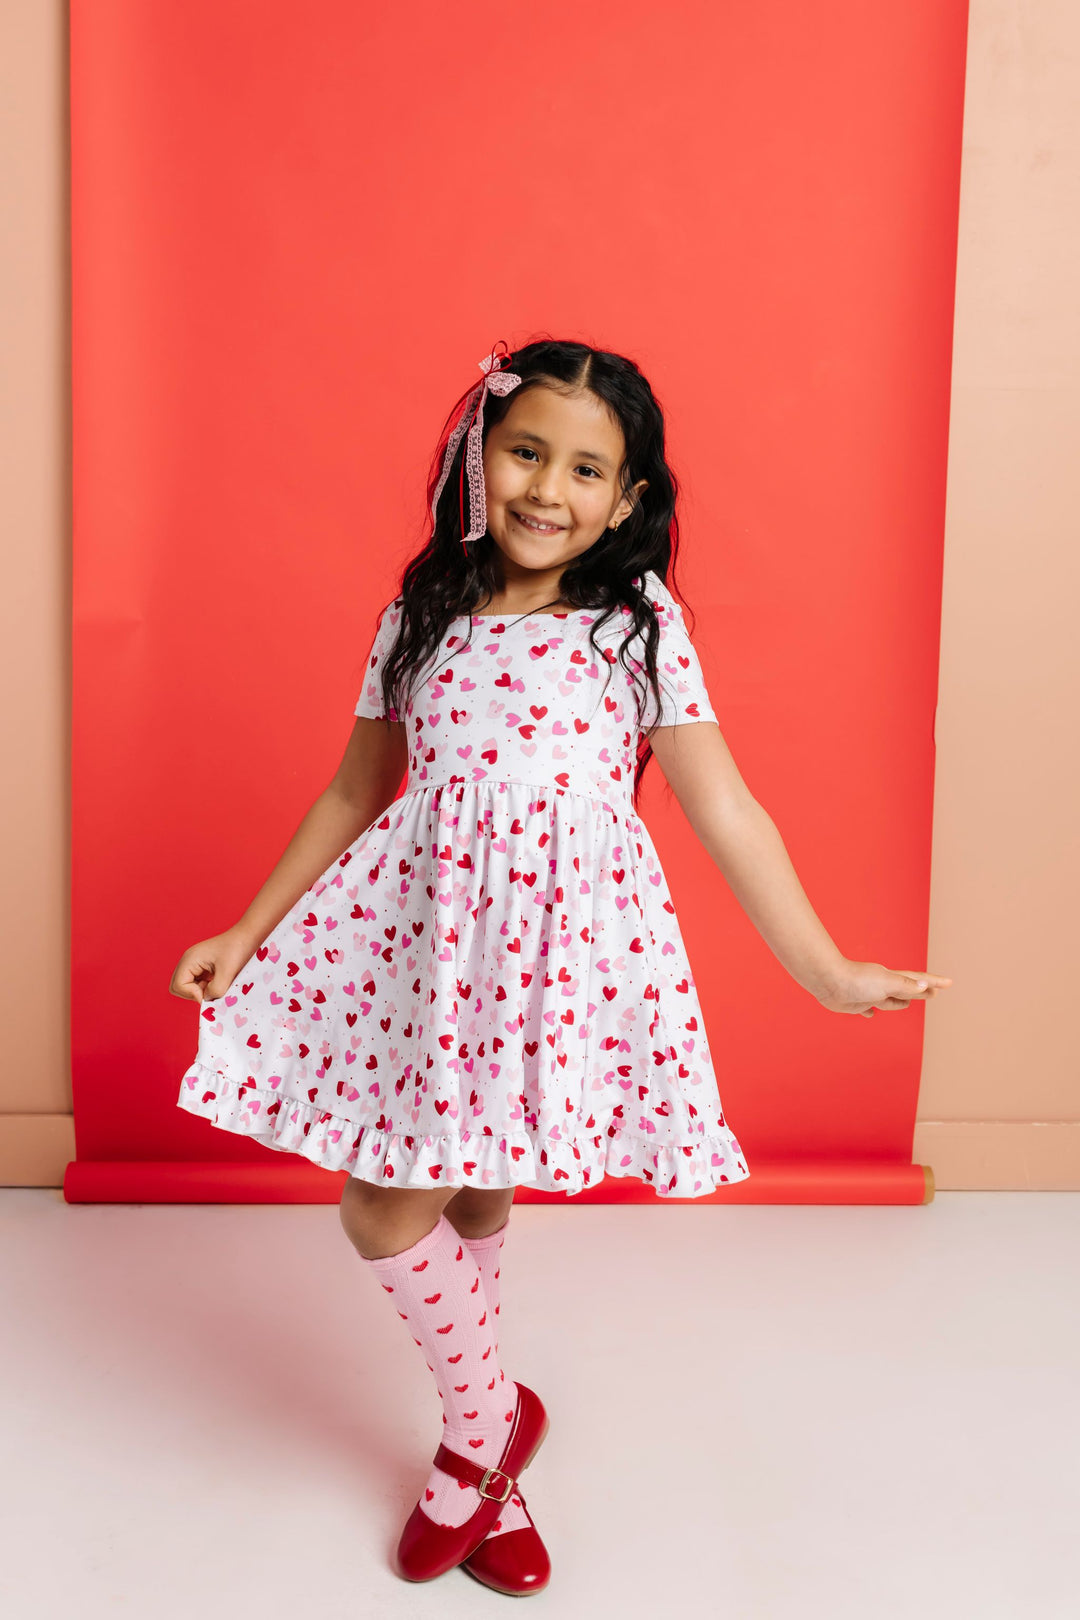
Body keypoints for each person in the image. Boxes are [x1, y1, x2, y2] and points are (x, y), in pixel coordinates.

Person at [169, 337, 952, 1597]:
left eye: (588, 469)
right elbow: (355, 790)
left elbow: (726, 807)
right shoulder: (419, 617)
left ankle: (476, 1445)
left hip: (553, 960)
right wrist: (246, 930)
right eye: (526, 451)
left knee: (478, 1189)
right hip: (435, 952)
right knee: (388, 1203)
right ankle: (488, 1432)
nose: (549, 488)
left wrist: (825, 969)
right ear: (479, 455)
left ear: (628, 499)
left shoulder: (638, 630)